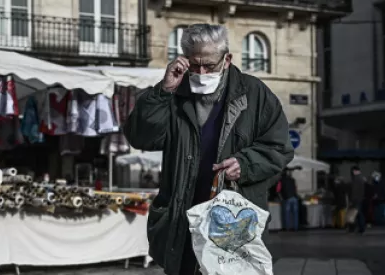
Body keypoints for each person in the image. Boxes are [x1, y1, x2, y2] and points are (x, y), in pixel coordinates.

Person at [123, 23, 294, 275]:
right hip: (182, 220)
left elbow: (279, 147)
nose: (201, 72)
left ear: (227, 59)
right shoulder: (174, 93)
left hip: (231, 223)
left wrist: (245, 164)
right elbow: (140, 137)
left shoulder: (255, 93)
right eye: (194, 65)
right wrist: (163, 91)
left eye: (209, 65)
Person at [348, 166, 366, 234]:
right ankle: (360, 228)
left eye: (352, 171)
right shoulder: (361, 178)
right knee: (358, 213)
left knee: (356, 214)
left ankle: (358, 228)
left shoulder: (356, 179)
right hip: (360, 198)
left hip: (355, 199)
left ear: (354, 171)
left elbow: (354, 190)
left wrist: (352, 200)